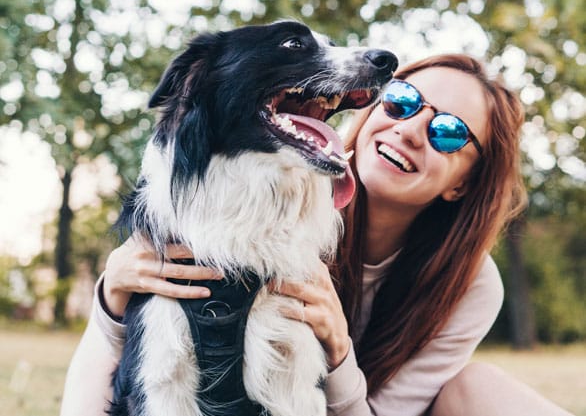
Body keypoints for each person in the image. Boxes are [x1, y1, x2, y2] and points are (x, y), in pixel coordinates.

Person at [61, 54, 574, 416]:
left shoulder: (470, 284)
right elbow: (140, 358)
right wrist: (112, 296)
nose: (411, 129)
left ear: (464, 184)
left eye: (448, 133)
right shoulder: (270, 193)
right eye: (401, 100)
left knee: (479, 387)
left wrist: (338, 349)